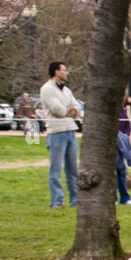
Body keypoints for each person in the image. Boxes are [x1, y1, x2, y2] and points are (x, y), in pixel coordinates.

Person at [40, 61, 79, 207]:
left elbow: (77, 108)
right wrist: (67, 110)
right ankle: (57, 201)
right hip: (56, 133)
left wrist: (72, 110)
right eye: (64, 70)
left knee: (73, 170)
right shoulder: (47, 89)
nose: (67, 72)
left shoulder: (67, 90)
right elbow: (58, 110)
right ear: (56, 72)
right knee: (55, 170)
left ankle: (75, 200)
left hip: (70, 130)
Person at [115, 91, 131, 205]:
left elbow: (127, 125)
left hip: (121, 140)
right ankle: (113, 198)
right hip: (113, 141)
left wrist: (124, 137)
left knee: (121, 170)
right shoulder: (113, 108)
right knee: (115, 170)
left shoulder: (122, 108)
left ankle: (124, 197)